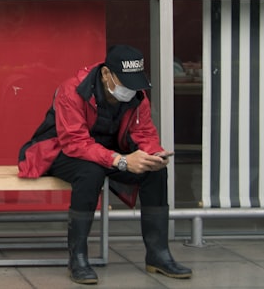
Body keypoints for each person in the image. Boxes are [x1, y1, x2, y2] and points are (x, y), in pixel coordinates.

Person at [18, 44, 192, 285]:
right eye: (126, 82)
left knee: (156, 173)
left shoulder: (137, 95)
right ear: (107, 74)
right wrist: (120, 160)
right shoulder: (72, 90)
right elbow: (74, 143)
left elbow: (145, 133)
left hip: (108, 154)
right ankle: (77, 258)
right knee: (90, 172)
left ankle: (158, 255)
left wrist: (153, 155)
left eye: (135, 82)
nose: (131, 89)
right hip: (60, 151)